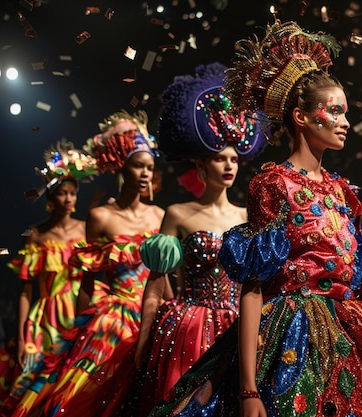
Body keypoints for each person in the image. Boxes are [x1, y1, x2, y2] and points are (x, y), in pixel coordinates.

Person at [149, 20, 362, 417]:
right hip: (292, 335)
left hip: (349, 330)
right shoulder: (273, 184)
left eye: (344, 112)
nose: (345, 122)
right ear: (301, 117)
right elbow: (253, 287)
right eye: (334, 111)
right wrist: (247, 390)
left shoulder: (340, 190)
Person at [133, 62, 266, 416]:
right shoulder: (177, 213)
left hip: (236, 328)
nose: (228, 166)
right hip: (186, 328)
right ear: (201, 166)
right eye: (219, 158)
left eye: (234, 159)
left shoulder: (247, 218)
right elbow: (157, 280)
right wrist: (144, 338)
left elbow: (254, 286)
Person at [42, 111, 165, 417]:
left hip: (153, 312)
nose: (146, 173)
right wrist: (78, 331)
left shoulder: (160, 216)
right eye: (139, 166)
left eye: (150, 167)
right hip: (114, 318)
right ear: (123, 167)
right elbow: (87, 280)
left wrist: (173, 309)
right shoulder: (101, 217)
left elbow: (163, 276)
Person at [0, 143, 98, 417]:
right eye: (62, 193)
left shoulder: (86, 230)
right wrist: (20, 336)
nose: (68, 198)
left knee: (69, 390)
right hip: (43, 322)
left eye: (72, 193)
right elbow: (25, 292)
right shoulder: (36, 235)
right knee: (32, 388)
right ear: (51, 197)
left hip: (78, 315)